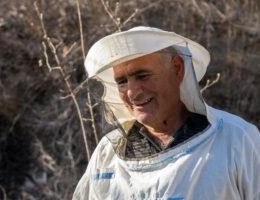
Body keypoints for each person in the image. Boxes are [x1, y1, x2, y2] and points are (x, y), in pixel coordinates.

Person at [73, 26, 260, 200]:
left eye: (142, 76)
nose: (132, 92)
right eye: (122, 81)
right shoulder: (107, 152)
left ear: (177, 69)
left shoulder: (237, 140)